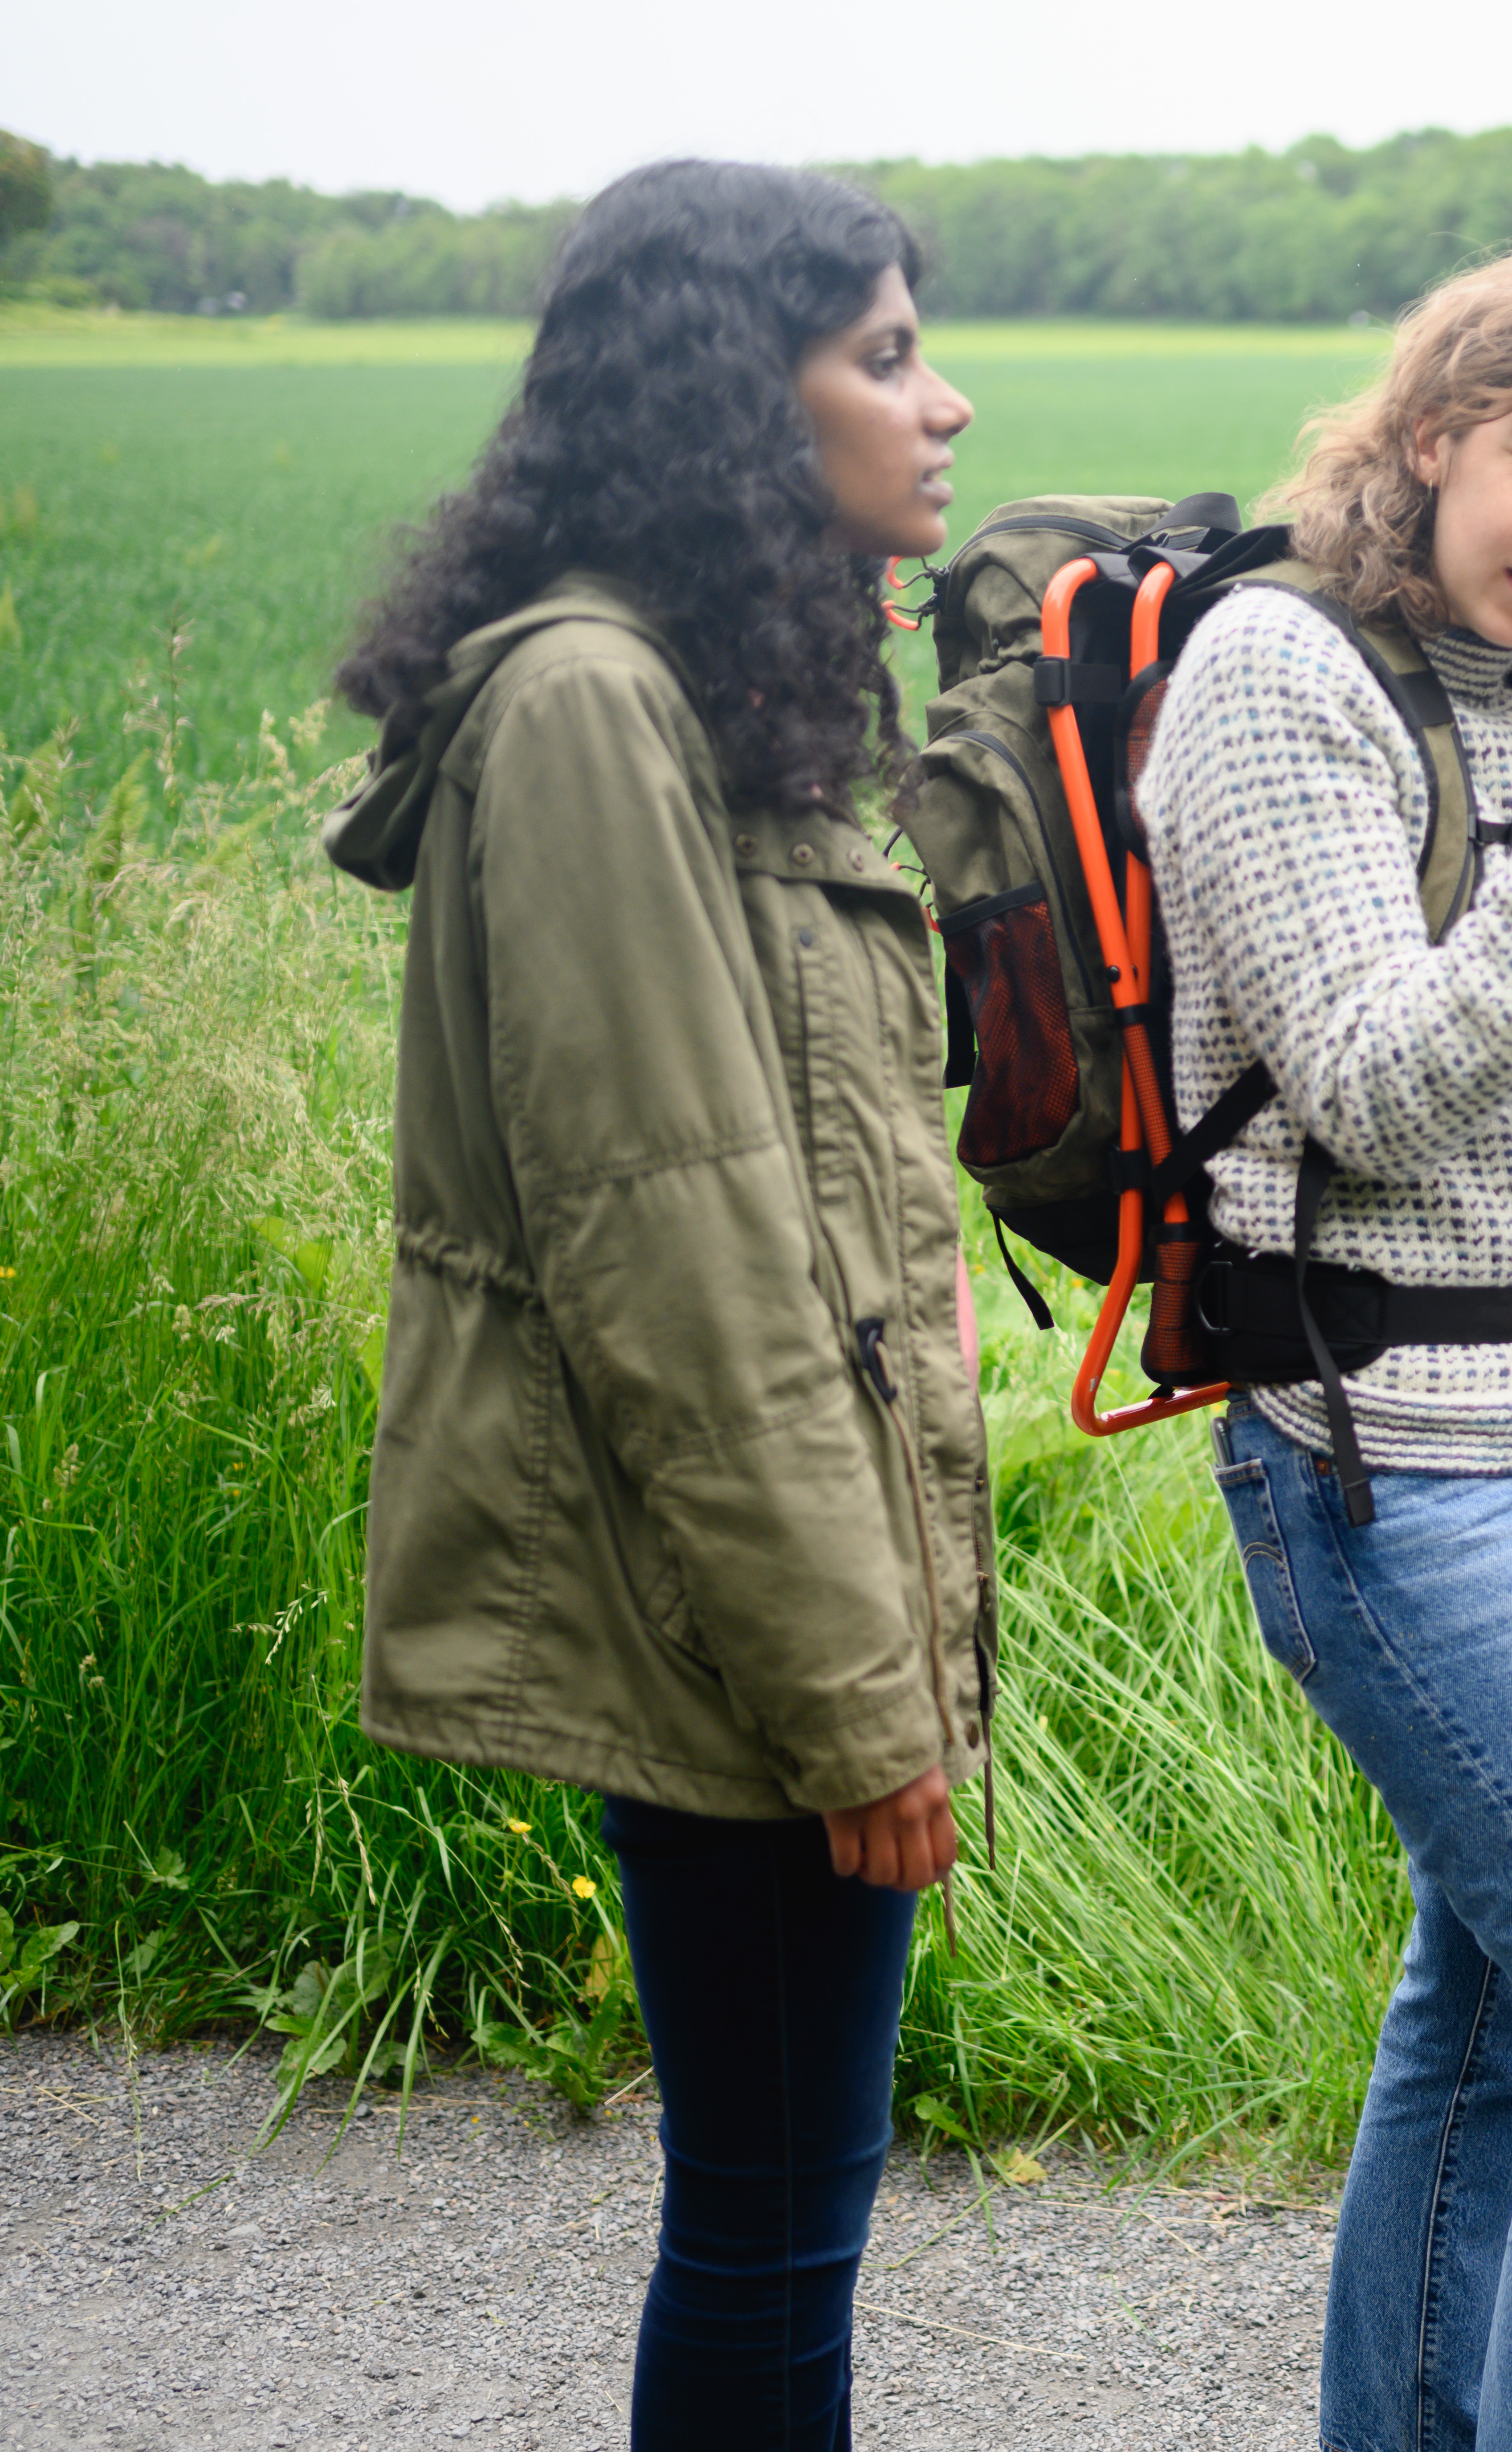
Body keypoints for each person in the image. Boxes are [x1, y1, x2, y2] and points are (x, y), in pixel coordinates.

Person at [324, 161, 987, 2449]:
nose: (946, 406)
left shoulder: (678, 692)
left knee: (781, 2204)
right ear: (737, 395)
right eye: (886, 357)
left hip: (744, 1589)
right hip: (719, 1612)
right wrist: (851, 1696)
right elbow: (679, 1252)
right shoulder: (594, 707)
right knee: (771, 2224)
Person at [1141, 244, 1512, 2452]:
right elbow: (1375, 1090)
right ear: (1426, 439)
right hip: (1397, 1465)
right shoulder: (1274, 672)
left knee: (1500, 2007)